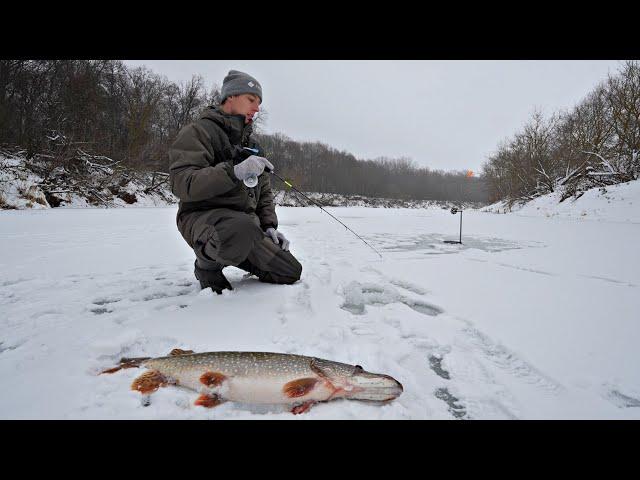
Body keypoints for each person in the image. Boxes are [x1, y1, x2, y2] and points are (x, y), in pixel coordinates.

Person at [169, 70, 302, 294]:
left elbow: (265, 192)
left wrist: (269, 227)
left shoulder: (254, 145)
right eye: (251, 100)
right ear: (230, 97)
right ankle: (207, 267)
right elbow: (183, 183)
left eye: (259, 103)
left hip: (245, 228)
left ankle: (237, 250)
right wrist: (234, 171)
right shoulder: (198, 132)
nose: (257, 108)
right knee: (241, 228)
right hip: (202, 219)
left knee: (289, 271)